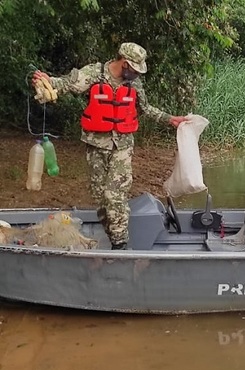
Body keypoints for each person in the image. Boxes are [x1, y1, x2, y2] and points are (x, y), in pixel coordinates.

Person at [32, 42, 186, 250]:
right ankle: (113, 235)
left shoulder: (134, 83)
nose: (136, 74)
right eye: (134, 69)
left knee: (115, 196)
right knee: (100, 198)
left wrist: (170, 119)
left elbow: (146, 108)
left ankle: (120, 245)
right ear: (124, 63)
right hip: (96, 144)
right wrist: (45, 81)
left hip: (122, 146)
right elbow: (66, 84)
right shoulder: (95, 73)